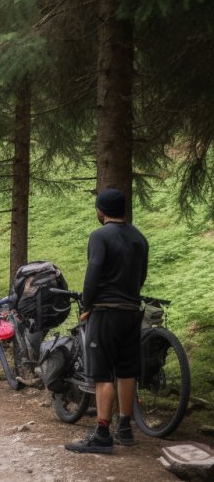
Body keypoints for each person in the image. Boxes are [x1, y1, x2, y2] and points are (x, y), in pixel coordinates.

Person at [65, 187, 149, 454]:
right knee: (126, 371)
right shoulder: (139, 237)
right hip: (132, 311)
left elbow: (93, 273)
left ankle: (102, 434)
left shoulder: (99, 236)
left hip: (105, 312)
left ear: (101, 211)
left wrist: (87, 304)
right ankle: (124, 427)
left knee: (102, 374)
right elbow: (142, 275)